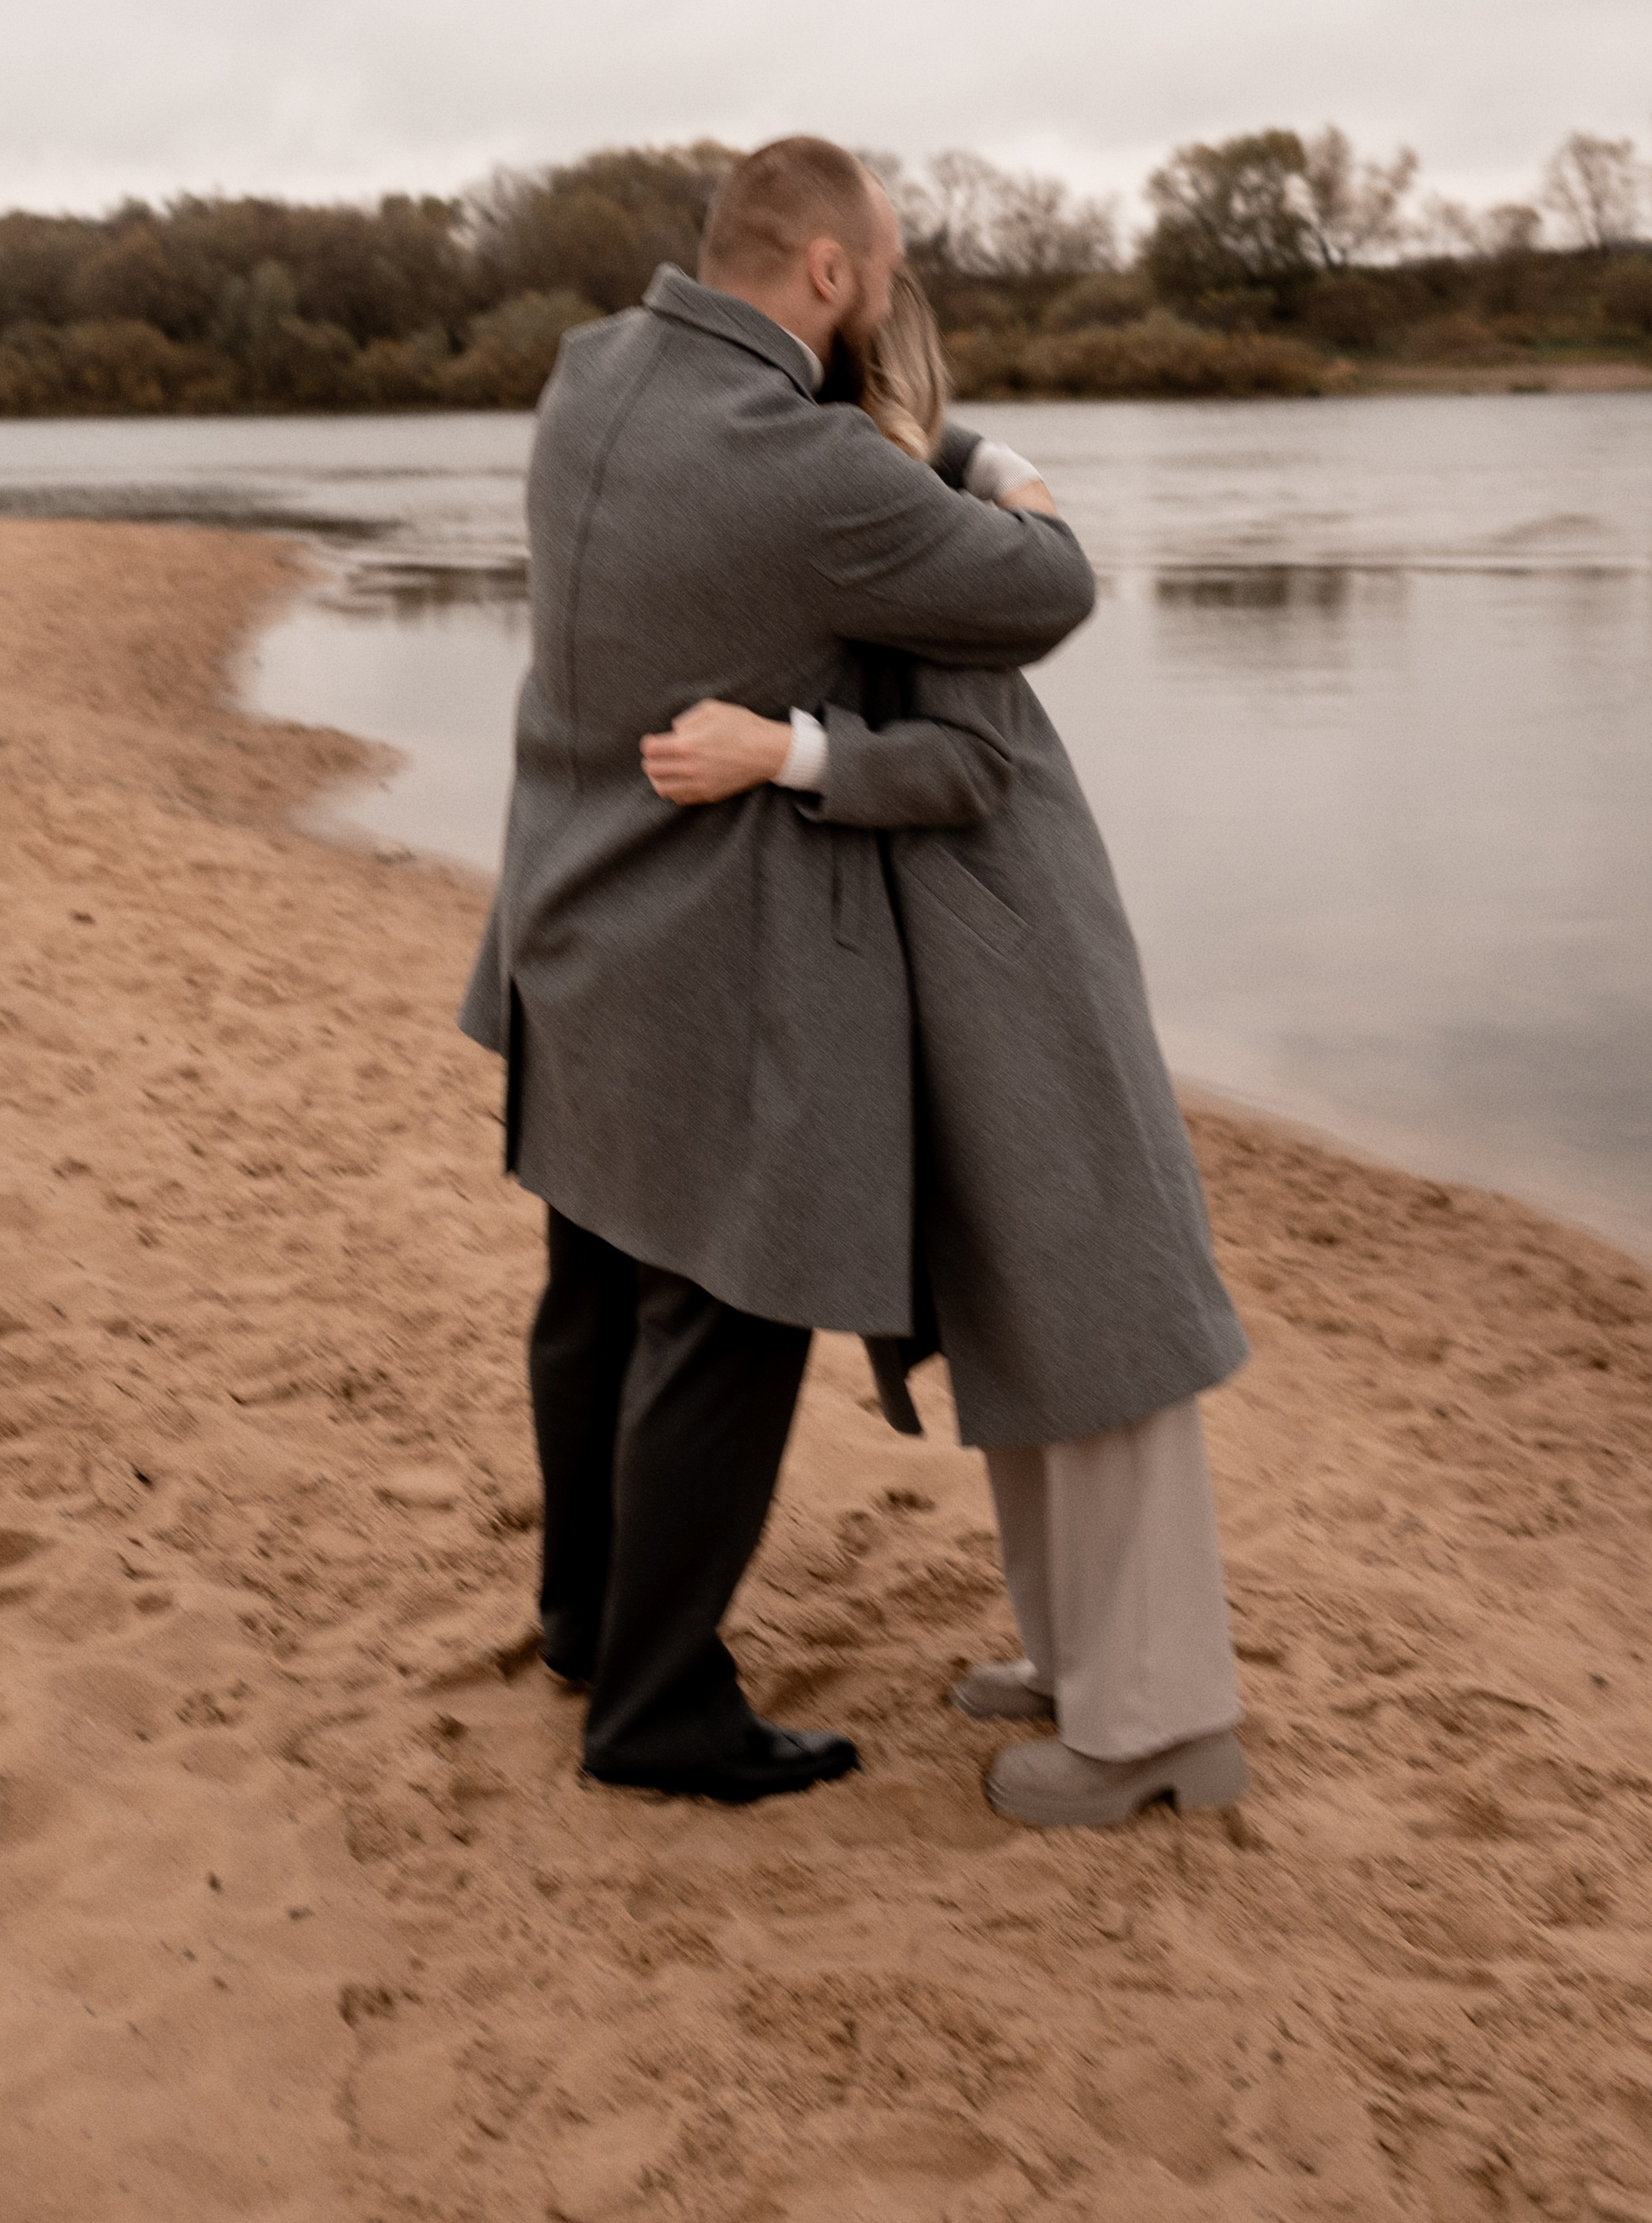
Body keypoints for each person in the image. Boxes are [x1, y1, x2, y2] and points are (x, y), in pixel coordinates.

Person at [459, 140, 1096, 1805]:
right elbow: (1046, 589)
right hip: (701, 957)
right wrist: (996, 462)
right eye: (879, 267)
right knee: (725, 1321)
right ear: (824, 271)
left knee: (591, 1289)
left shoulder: (591, 373)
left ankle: (590, 1623)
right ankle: (659, 1704)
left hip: (557, 916)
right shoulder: (803, 467)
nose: (884, 290)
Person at [641, 268, 1250, 1828]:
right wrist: (987, 460)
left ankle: (1161, 1723)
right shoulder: (887, 494)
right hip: (960, 973)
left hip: (1020, 962)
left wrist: (778, 750)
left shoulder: (913, 528)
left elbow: (971, 761)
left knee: (1097, 1322)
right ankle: (1080, 1664)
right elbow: (946, 455)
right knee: (1026, 1323)